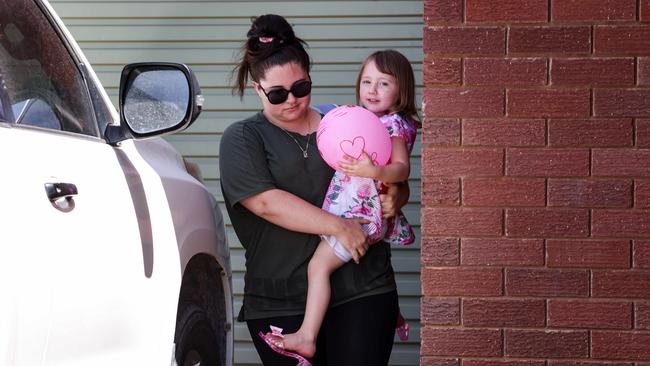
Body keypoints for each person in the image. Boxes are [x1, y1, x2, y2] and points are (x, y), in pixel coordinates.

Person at [220, 14, 409, 366]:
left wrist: (398, 195)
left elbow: (386, 173)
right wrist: (339, 225)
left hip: (363, 289)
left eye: (301, 88)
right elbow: (265, 203)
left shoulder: (344, 121)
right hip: (281, 300)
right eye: (277, 93)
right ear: (258, 89)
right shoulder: (243, 138)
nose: (291, 99)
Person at [265, 50, 419, 359]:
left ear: (402, 90)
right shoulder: (365, 119)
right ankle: (395, 315)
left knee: (318, 267)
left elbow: (401, 169)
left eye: (383, 84)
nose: (372, 90)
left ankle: (307, 336)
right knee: (353, 268)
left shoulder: (392, 124)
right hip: (359, 209)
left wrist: (374, 171)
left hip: (360, 216)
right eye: (366, 81)